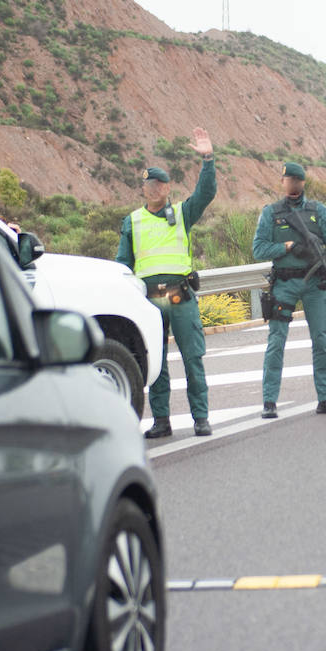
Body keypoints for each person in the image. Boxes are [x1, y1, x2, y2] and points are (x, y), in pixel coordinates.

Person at [116, 132, 217, 439]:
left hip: (181, 298)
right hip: (149, 302)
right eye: (149, 185)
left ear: (168, 188)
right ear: (143, 189)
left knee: (192, 359)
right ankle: (162, 421)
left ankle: (201, 418)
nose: (154, 189)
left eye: (159, 184)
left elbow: (206, 193)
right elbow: (123, 263)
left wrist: (208, 159)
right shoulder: (132, 221)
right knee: (155, 363)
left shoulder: (183, 213)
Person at [252, 162, 326, 419]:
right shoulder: (271, 213)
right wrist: (288, 247)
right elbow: (259, 249)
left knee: (321, 340)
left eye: (297, 179)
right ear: (282, 182)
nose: (292, 184)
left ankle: (325, 399)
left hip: (315, 284)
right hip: (285, 284)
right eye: (288, 179)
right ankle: (269, 402)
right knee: (276, 342)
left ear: (303, 182)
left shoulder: (319, 211)